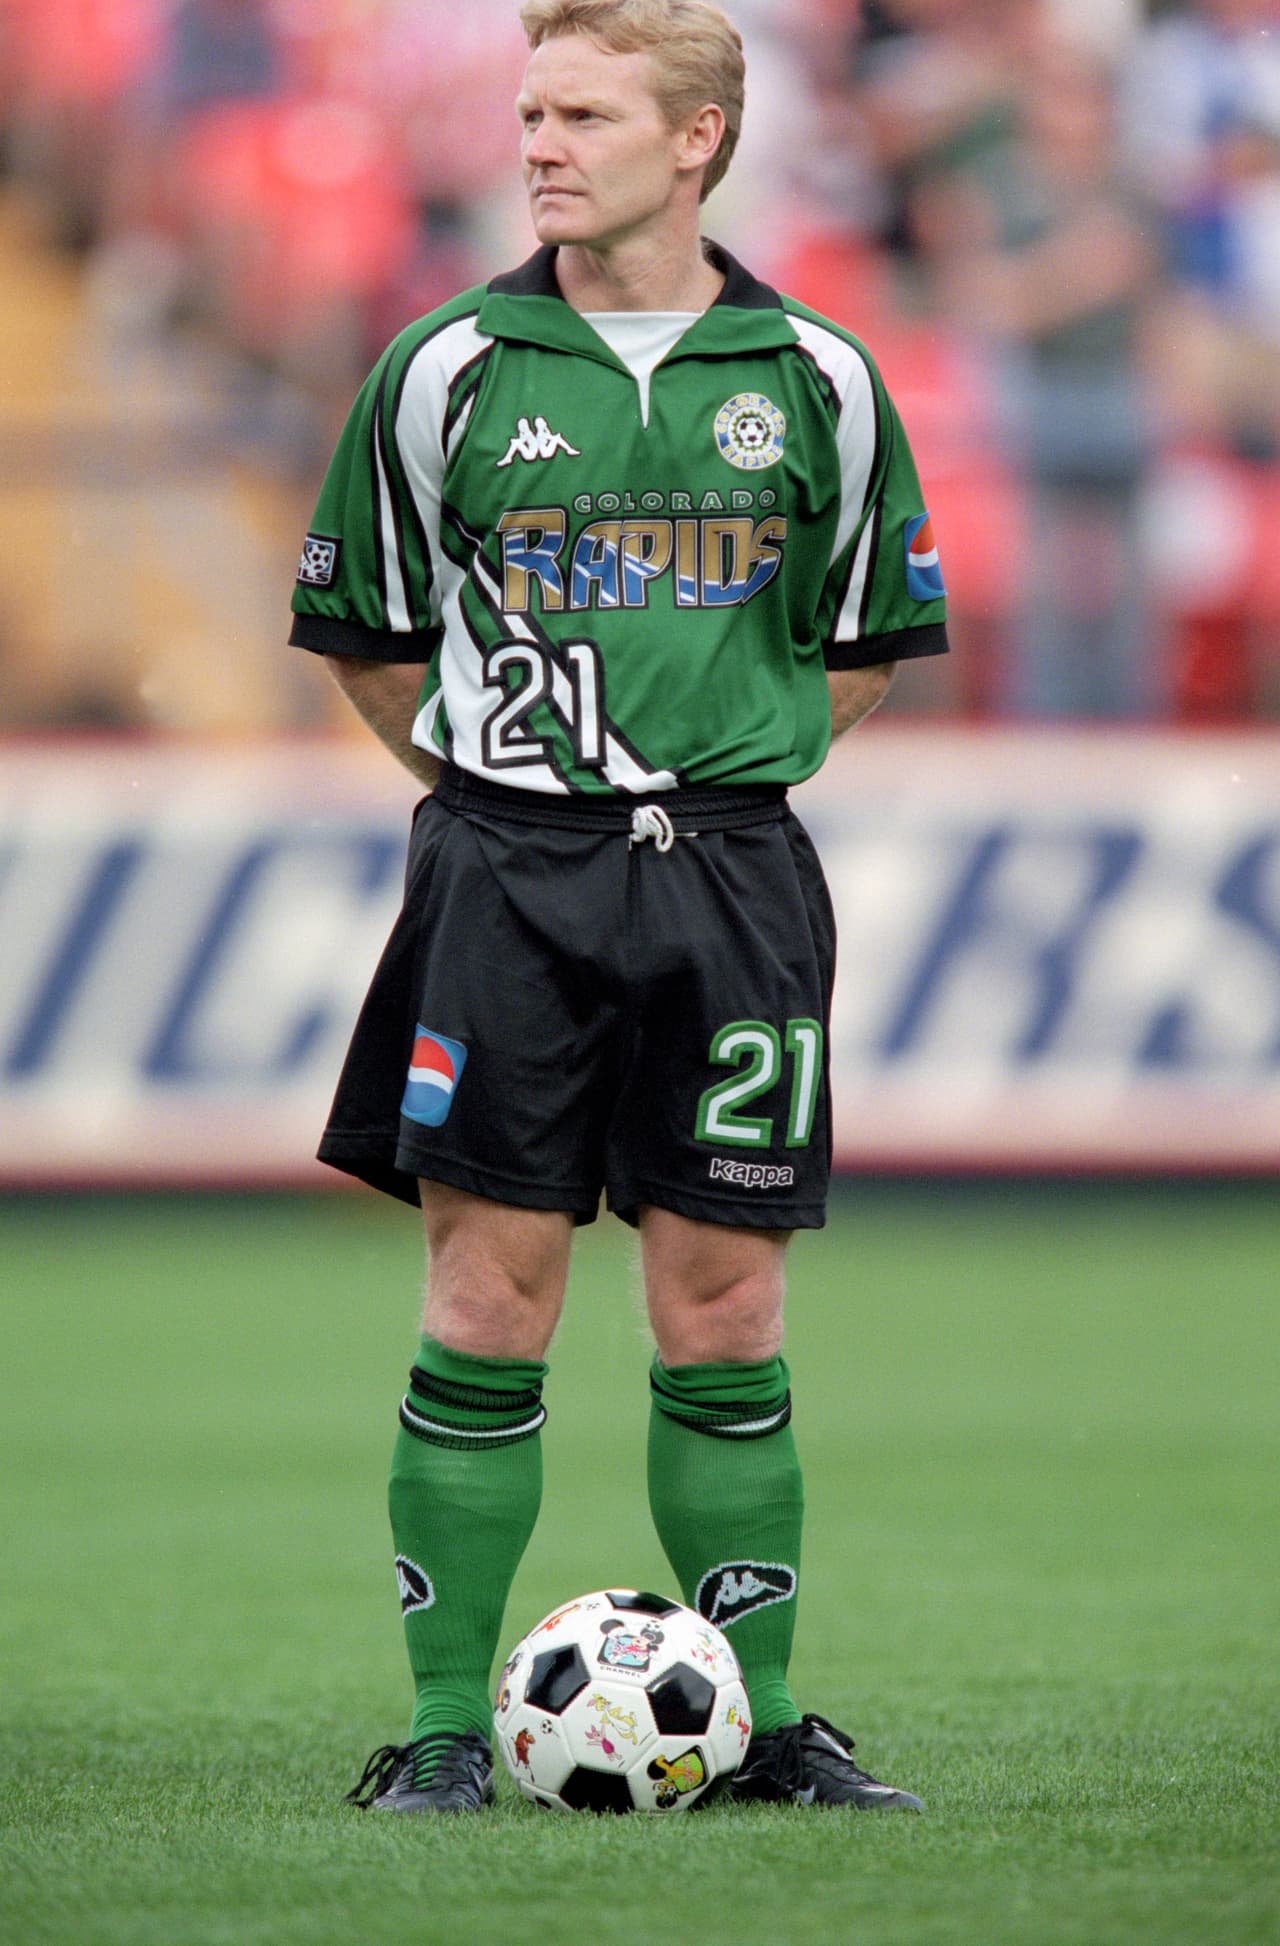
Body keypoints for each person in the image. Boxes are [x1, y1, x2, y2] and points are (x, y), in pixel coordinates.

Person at [289, 0, 946, 1816]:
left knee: (725, 1305)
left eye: (583, 111)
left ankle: (773, 1720)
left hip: (734, 875)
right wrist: (501, 787)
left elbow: (870, 642)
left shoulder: (817, 378)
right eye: (531, 111)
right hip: (507, 870)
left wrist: (718, 768)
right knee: (488, 1295)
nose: (542, 143)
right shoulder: (445, 368)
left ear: (701, 137)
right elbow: (362, 632)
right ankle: (438, 1732)